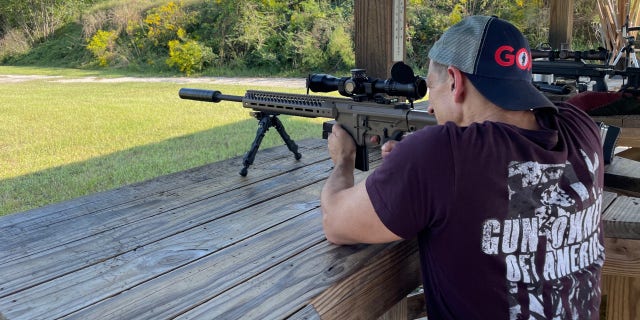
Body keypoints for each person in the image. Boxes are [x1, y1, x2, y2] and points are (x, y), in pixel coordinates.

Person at [321, 15, 605, 319]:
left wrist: (344, 161)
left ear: (455, 82)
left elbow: (336, 221)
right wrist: (414, 168)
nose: (429, 107)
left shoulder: (443, 154)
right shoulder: (580, 128)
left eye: (432, 88)